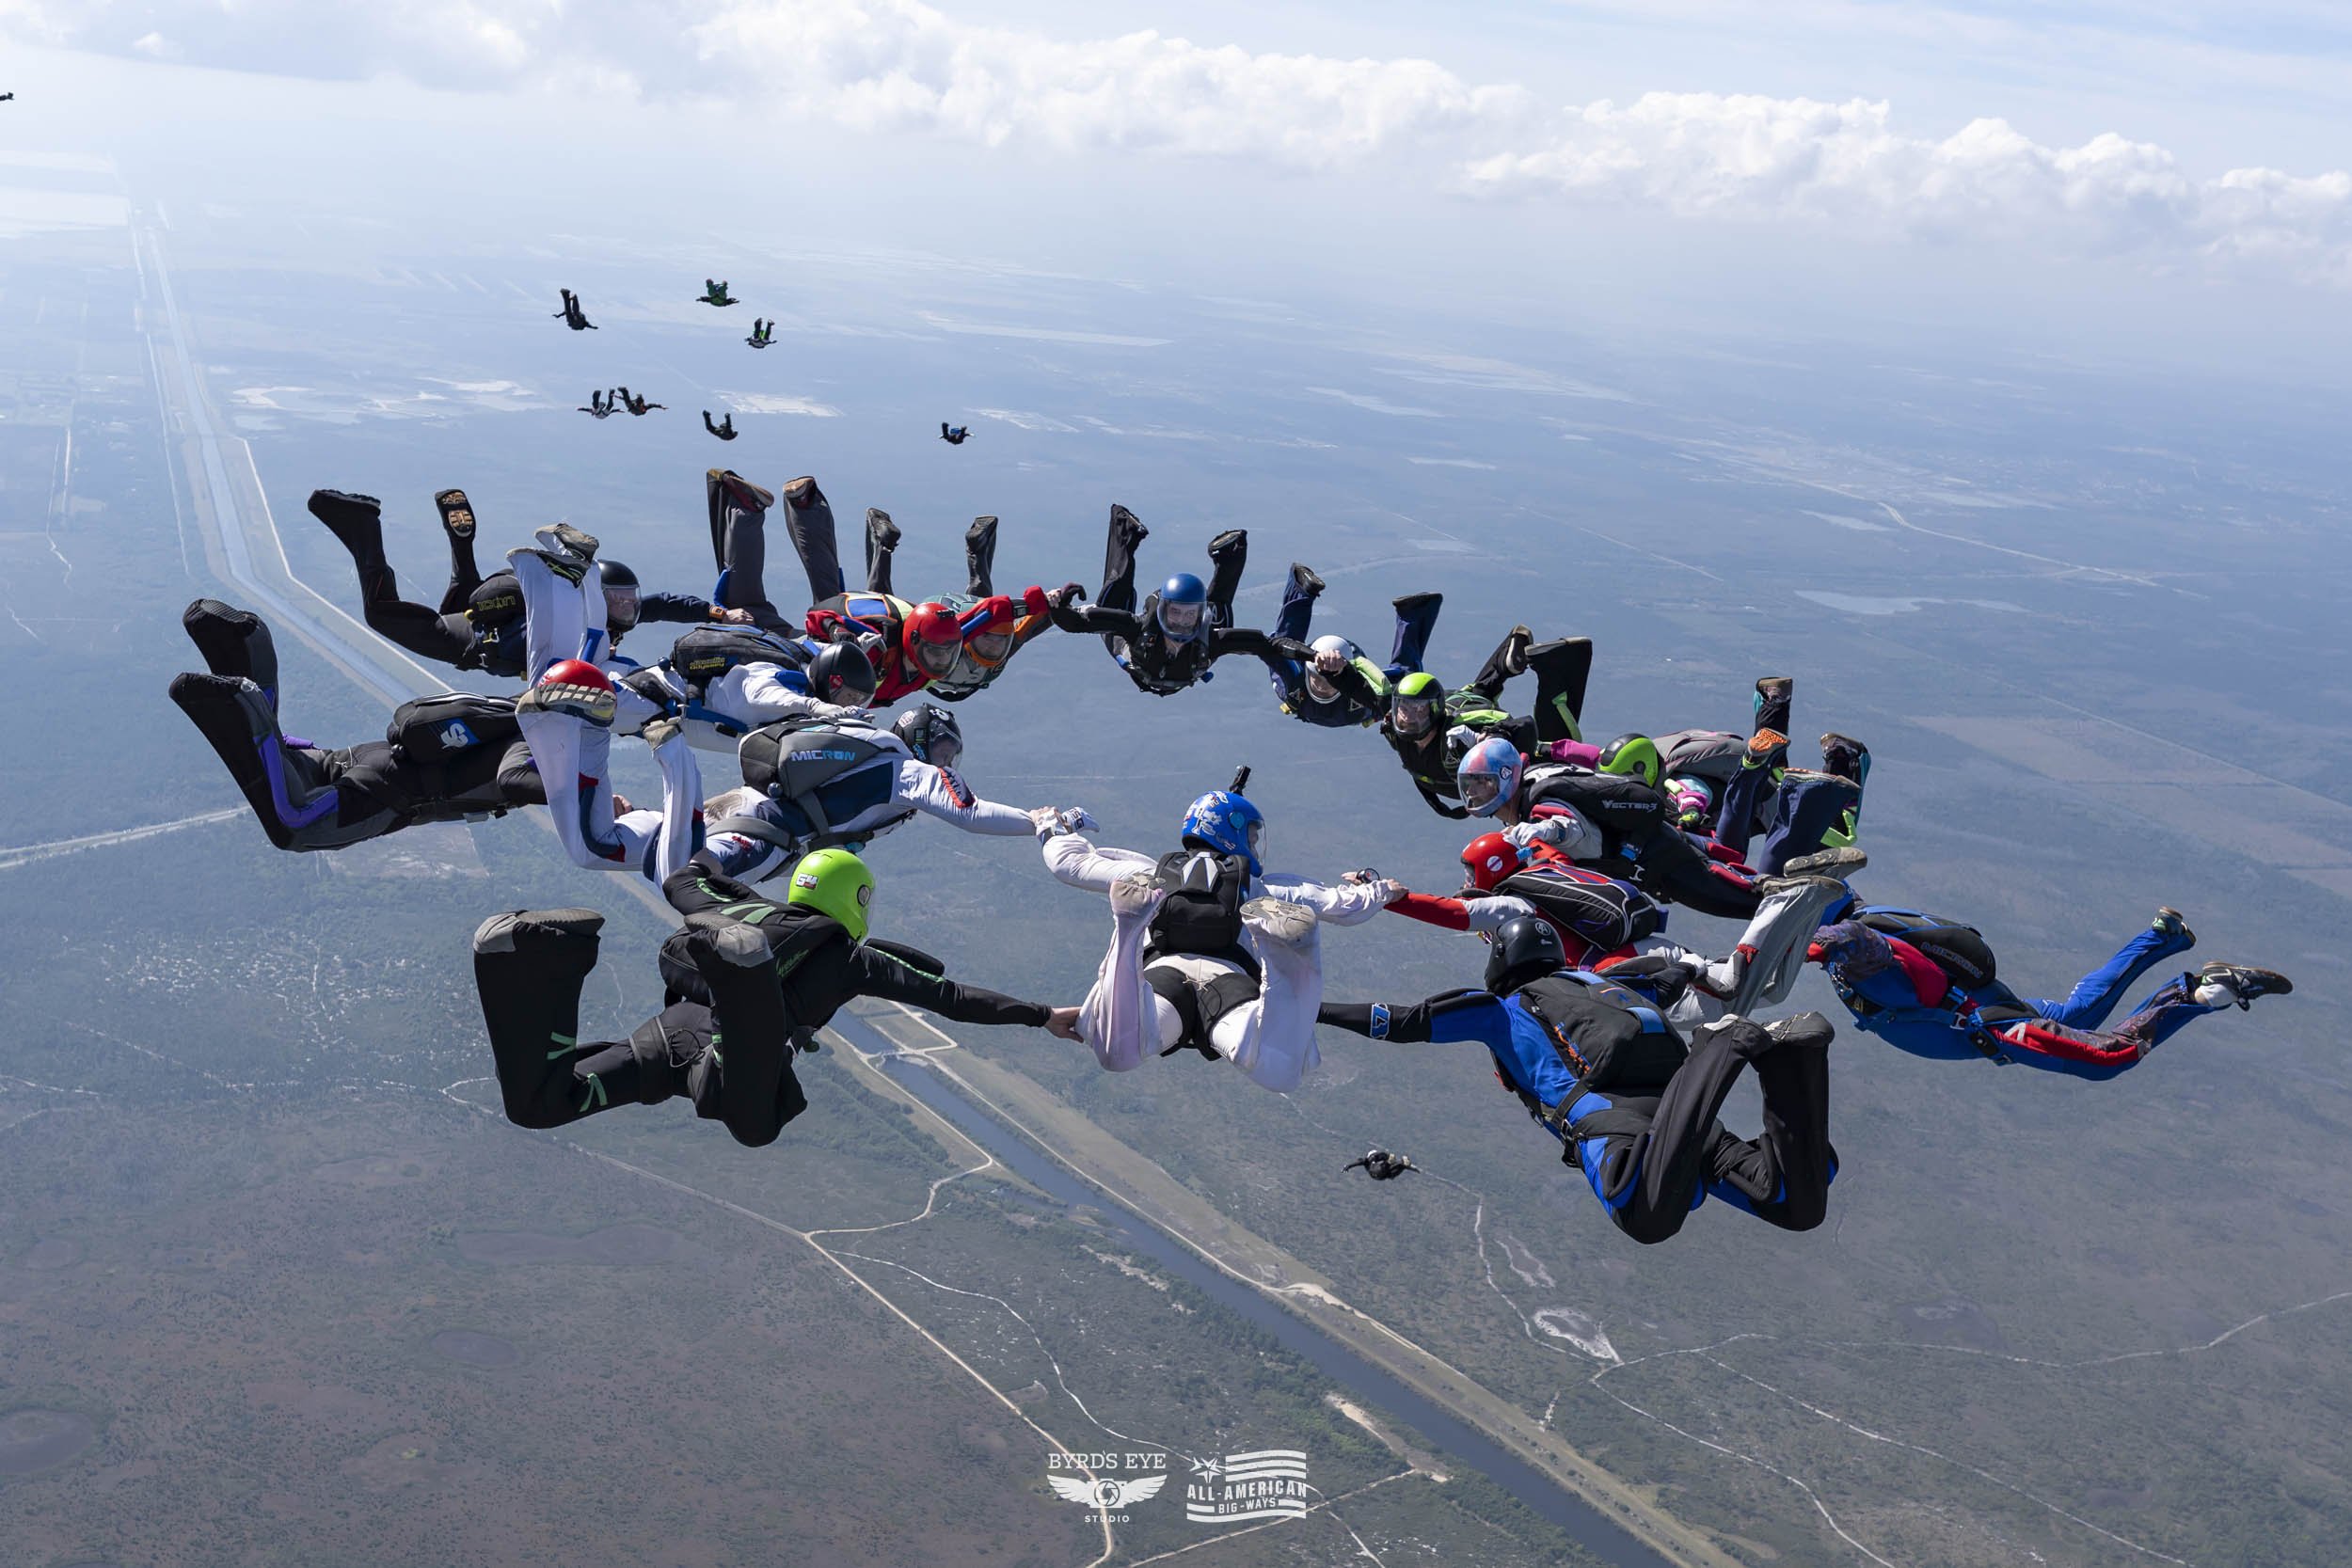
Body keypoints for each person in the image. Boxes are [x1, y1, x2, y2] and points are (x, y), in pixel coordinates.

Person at [470, 852, 1077, 1149]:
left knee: (541, 1104)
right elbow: (951, 998)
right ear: (856, 902)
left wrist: (729, 862)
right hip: (741, 1038)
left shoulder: (735, 909)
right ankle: (746, 972)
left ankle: (537, 958)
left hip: (671, 1034)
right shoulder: (850, 956)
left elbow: (684, 878)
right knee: (755, 1125)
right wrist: (1041, 1015)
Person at [1320, 916, 1839, 1245]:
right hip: (1687, 1121)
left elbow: (1399, 1021)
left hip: (1622, 1128)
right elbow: (1669, 974)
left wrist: (1313, 1011)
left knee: (1644, 1216)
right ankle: (1796, 1061)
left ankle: (1721, 1046)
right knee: (1794, 1203)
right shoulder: (1608, 984)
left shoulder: (1500, 1009)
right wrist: (1695, 970)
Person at [1038, 778, 1391, 1092]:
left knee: (1118, 1053)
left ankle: (1127, 934)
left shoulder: (1148, 873)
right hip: (1230, 982)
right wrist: (1380, 890)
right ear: (1234, 833)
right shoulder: (1261, 888)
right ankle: (1290, 956)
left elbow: (1070, 865)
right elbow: (1343, 907)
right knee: (1278, 1071)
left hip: (1162, 975)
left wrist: (1054, 827)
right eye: (1251, 836)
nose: (1254, 845)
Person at [168, 600, 540, 852]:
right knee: (293, 827)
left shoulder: (521, 709)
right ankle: (237, 699)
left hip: (359, 759)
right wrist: (585, 794)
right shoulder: (545, 740)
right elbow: (512, 780)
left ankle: (249, 641)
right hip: (385, 792)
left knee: (282, 758)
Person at [1373, 833, 1852, 1027]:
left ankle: (1785, 898)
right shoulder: (1547, 868)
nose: (1465, 886)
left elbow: (1453, 912)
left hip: (1626, 971)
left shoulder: (1512, 902)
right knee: (1763, 993)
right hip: (1652, 949)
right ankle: (1815, 901)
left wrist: (1394, 900)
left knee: (1729, 996)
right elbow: (1542, 843)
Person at [1808, 906, 2292, 1078]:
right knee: (2080, 1013)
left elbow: (1864, 946)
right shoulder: (1870, 921)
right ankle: (2163, 937)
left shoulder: (1867, 956)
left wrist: (1822, 945)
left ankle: (2209, 992)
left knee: (2111, 1059)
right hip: (1985, 1010)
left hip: (1996, 1027)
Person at [310, 488, 739, 677]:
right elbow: (520, 644)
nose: (628, 610)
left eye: (629, 601)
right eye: (621, 602)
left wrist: (714, 612)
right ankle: (363, 527)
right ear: (599, 595)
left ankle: (461, 545)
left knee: (465, 595)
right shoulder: (579, 623)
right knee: (381, 615)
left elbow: (661, 603)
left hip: (479, 616)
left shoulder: (597, 608)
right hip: (466, 640)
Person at [684, 704, 1092, 887]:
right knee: (696, 888)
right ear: (921, 742)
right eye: (942, 752)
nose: (946, 764)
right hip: (764, 837)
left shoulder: (872, 754)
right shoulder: (907, 771)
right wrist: (1039, 824)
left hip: (738, 806)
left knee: (656, 844)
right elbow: (969, 813)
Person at [1044, 506, 1307, 696]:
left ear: (1198, 615)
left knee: (1219, 616)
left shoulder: (1211, 639)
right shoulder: (1137, 629)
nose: (1182, 622)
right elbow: (1077, 623)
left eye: (1189, 614)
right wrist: (1058, 605)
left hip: (1165, 664)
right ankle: (1126, 533)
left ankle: (1229, 554)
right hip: (1135, 653)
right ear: (1163, 611)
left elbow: (1268, 645)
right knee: (1112, 610)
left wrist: (1314, 657)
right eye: (1176, 613)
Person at [1383, 630, 1592, 817]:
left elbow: (1525, 727)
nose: (1409, 718)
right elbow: (1371, 686)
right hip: (1466, 736)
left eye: (1418, 711)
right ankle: (1505, 663)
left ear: (1434, 710)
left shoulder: (1457, 737)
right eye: (1404, 709)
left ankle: (1557, 665)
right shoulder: (1392, 726)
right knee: (1477, 696)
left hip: (1484, 736)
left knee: (1553, 760)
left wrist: (1495, 736)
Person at [862, 513, 1057, 703]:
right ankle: (885, 545)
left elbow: (1028, 623)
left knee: (984, 611)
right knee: (885, 617)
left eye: (1000, 642)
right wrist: (1053, 603)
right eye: (987, 639)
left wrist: (1056, 606)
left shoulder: (997, 652)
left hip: (951, 630)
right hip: (940, 622)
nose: (993, 646)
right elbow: (1034, 621)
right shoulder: (955, 641)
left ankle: (884, 545)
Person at [1344, 1149, 1418, 1180]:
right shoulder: (1368, 1160)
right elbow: (1360, 1161)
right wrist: (1349, 1166)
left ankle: (1403, 1164)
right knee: (1386, 1168)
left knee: (1390, 1174)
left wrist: (1413, 1169)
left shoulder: (1369, 1163)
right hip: (1377, 1171)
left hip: (1379, 1176)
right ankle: (1399, 1164)